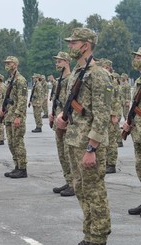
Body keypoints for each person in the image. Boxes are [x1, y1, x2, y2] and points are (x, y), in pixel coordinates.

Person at [56, 27, 111, 245]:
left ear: (86, 45)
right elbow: (76, 106)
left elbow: (102, 114)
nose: (70, 46)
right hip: (74, 139)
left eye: (74, 42)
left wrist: (92, 148)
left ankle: (98, 237)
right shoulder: (77, 73)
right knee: (81, 190)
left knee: (95, 192)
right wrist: (63, 116)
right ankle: (89, 235)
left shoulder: (99, 74)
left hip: (88, 144)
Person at [49, 51, 75, 197]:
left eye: (59, 61)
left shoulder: (70, 79)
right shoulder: (60, 80)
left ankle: (74, 184)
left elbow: (70, 102)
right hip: (58, 121)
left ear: (66, 62)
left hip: (66, 122)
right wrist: (52, 113)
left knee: (68, 153)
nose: (56, 64)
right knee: (62, 154)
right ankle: (68, 180)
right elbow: (56, 99)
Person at [1, 56, 29, 179]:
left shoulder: (20, 80)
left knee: (18, 142)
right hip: (9, 115)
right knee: (11, 143)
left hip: (17, 116)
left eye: (9, 63)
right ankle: (17, 166)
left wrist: (18, 115)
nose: (7, 65)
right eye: (6, 63)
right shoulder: (10, 79)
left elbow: (22, 100)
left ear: (15, 64)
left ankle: (22, 168)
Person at [123, 47, 141, 217]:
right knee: (139, 167)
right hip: (138, 130)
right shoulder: (138, 81)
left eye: (138, 56)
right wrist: (129, 122)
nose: (136, 59)